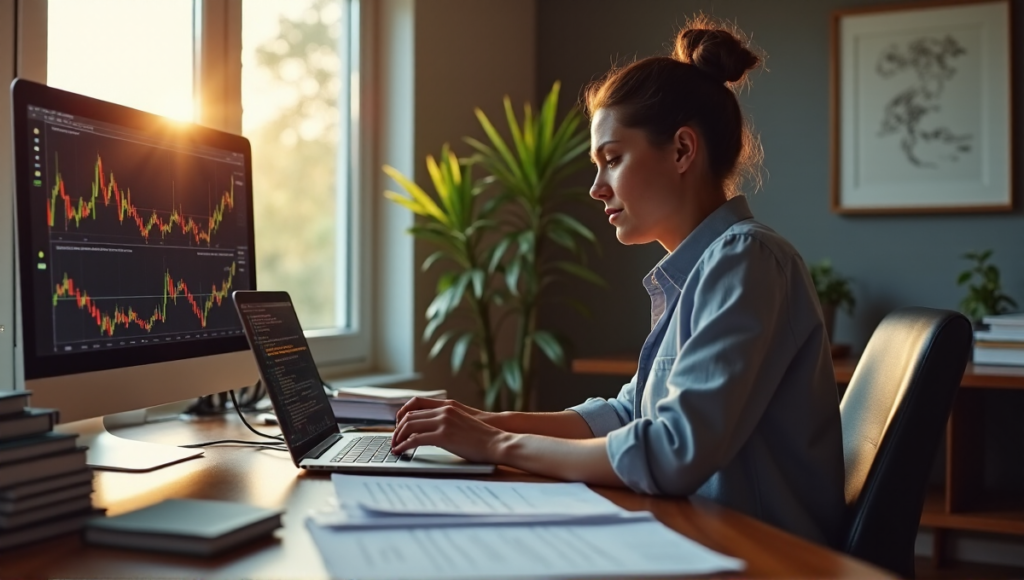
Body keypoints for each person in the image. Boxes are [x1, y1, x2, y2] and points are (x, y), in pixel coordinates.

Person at [390, 17, 846, 547]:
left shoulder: (747, 260)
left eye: (612, 159)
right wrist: (481, 421)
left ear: (681, 151)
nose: (596, 188)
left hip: (762, 554)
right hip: (701, 534)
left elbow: (671, 452)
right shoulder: (705, 268)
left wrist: (496, 443)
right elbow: (628, 415)